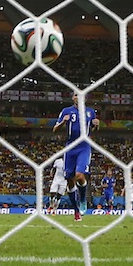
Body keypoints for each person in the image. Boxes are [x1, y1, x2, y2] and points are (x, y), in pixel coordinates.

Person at [53, 92, 100, 221]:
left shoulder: (90, 112)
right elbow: (55, 129)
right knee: (69, 180)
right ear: (72, 98)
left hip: (84, 146)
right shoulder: (66, 111)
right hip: (70, 147)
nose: (78, 97)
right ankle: (76, 210)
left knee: (79, 175)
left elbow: (93, 130)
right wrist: (63, 122)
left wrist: (97, 125)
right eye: (75, 95)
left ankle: (83, 200)